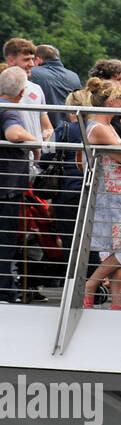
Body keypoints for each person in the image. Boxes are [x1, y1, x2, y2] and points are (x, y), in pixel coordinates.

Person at [0, 67, 40, 303]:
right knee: (5, 241)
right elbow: (14, 134)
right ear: (22, 91)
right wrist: (36, 143)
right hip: (7, 189)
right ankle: (4, 290)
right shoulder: (10, 110)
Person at [30, 45, 82, 128]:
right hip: (68, 130)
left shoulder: (32, 73)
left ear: (38, 60)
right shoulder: (74, 76)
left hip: (43, 129)